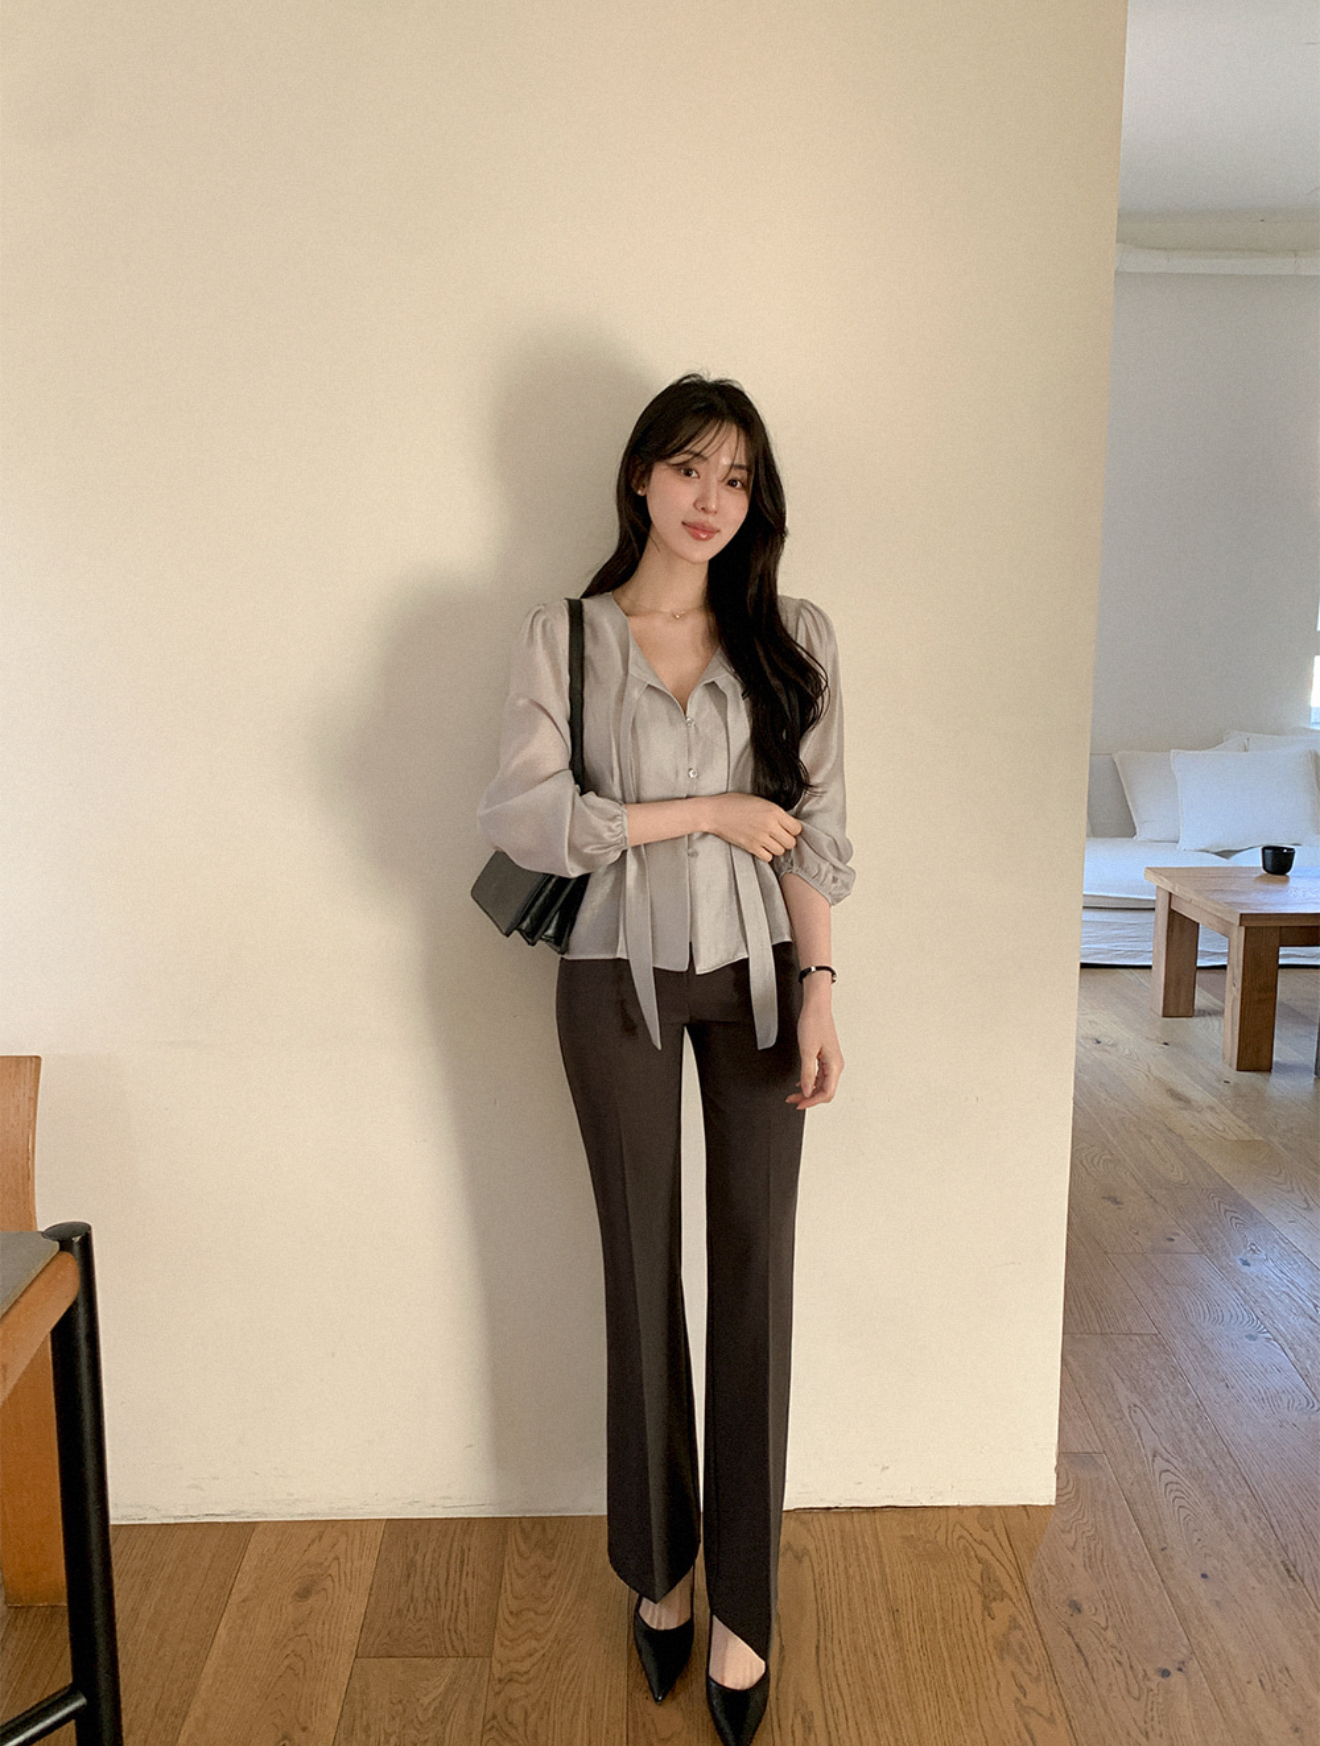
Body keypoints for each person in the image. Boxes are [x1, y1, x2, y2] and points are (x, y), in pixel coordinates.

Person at [477, 374, 853, 1746]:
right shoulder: (567, 639)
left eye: (737, 479)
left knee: (758, 1264)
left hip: (762, 984)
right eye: (690, 468)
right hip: (611, 982)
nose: (711, 500)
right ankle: (662, 1568)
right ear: (641, 475)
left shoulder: (792, 637)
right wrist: (706, 809)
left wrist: (820, 988)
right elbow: (528, 814)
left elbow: (815, 834)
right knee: (640, 1269)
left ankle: (745, 1602)